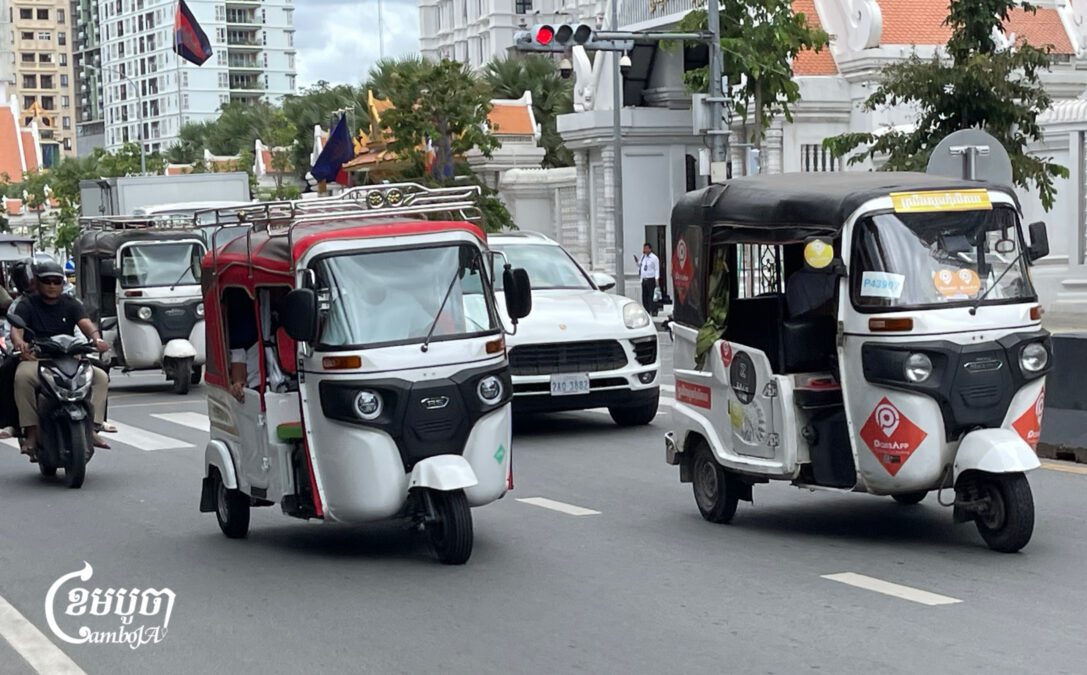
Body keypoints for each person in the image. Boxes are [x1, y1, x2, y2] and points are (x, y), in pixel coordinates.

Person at [10, 261, 111, 461]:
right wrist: (20, 343)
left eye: (56, 281)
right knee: (22, 377)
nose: (51, 286)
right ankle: (31, 432)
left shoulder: (71, 303)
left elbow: (86, 324)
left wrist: (96, 339)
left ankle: (92, 427)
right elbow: (16, 330)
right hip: (38, 358)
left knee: (100, 377)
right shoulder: (27, 304)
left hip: (68, 357)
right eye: (46, 281)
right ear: (37, 282)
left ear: (63, 283)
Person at [636, 243, 661, 316]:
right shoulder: (643, 257)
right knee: (645, 296)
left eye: (646, 248)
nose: (645, 250)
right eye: (644, 248)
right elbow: (640, 265)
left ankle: (653, 310)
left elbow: (656, 269)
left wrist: (657, 279)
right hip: (644, 279)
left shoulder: (654, 258)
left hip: (651, 279)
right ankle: (646, 310)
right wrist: (637, 261)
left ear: (650, 249)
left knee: (652, 296)